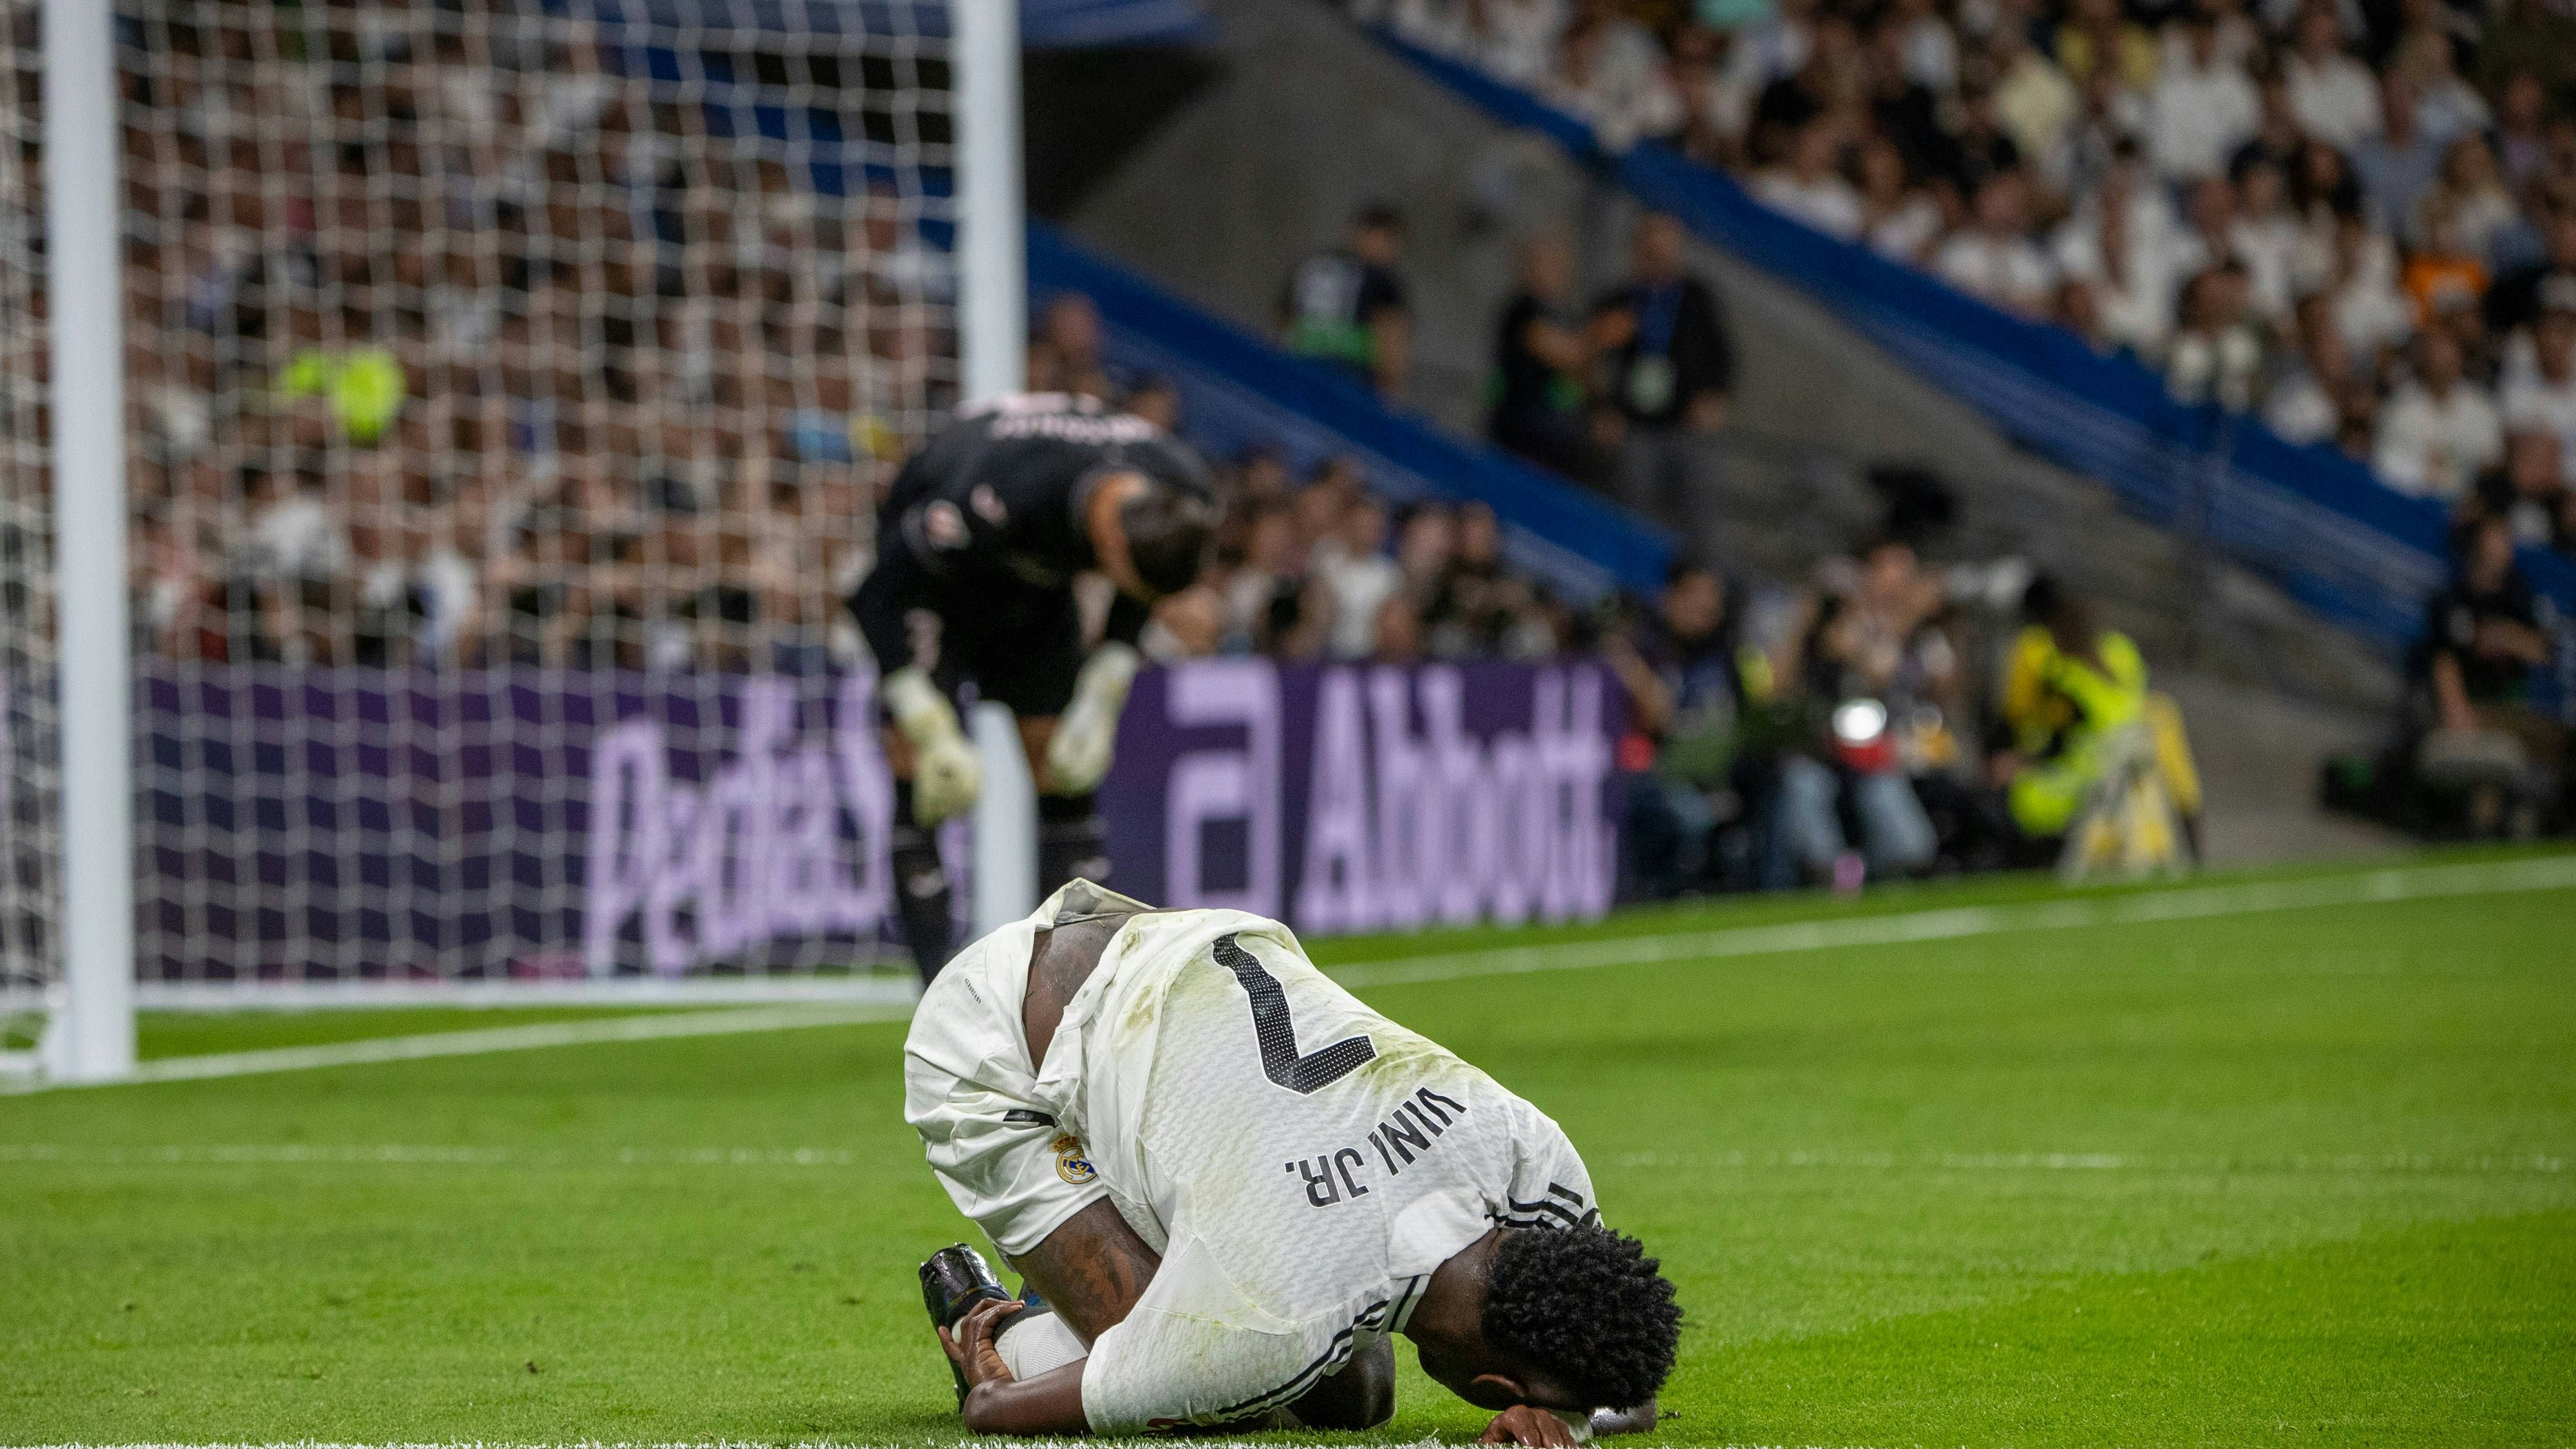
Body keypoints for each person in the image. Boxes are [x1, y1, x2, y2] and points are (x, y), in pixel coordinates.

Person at [909, 880, 1681, 1442]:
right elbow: (995, 1414)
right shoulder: (1270, 1329)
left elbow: (1619, 1361)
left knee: (1359, 1395)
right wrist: (996, 1385)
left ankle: (1112, 1253)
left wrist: (1572, 1421)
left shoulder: (1529, 1156)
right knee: (1208, 1406)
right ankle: (998, 1317)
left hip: (1188, 939)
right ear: (1491, 1390)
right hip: (996, 1037)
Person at [847, 393, 1217, 983]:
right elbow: (876, 593)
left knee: (1064, 765)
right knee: (926, 775)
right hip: (933, 579)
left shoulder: (1183, 489)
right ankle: (937, 990)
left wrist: (1108, 678)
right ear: (1112, 549)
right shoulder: (996, 493)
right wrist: (922, 714)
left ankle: (1075, 990)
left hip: (1036, 586)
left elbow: (1141, 590)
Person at [1592, 212, 1737, 558]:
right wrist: (1603, 409)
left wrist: (1716, 396)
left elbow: (1722, 354)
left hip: (1684, 422)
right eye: (1651, 244)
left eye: (1666, 243)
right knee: (1633, 510)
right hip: (1636, 423)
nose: (1659, 252)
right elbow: (1593, 361)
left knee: (1700, 516)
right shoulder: (1619, 300)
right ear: (1637, 248)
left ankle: (1701, 585)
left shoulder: (1696, 298)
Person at [1487, 234, 1602, 481]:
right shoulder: (1522, 308)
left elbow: (1588, 373)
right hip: (1519, 429)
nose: (1554, 273)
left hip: (1560, 433)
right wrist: (1604, 335)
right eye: (1547, 264)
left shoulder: (1568, 316)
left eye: (1560, 266)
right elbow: (1563, 352)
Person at [1280, 204, 1413, 398]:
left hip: (1297, 375)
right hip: (1350, 383)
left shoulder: (1313, 265)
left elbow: (1285, 320)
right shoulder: (1381, 279)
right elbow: (1391, 339)